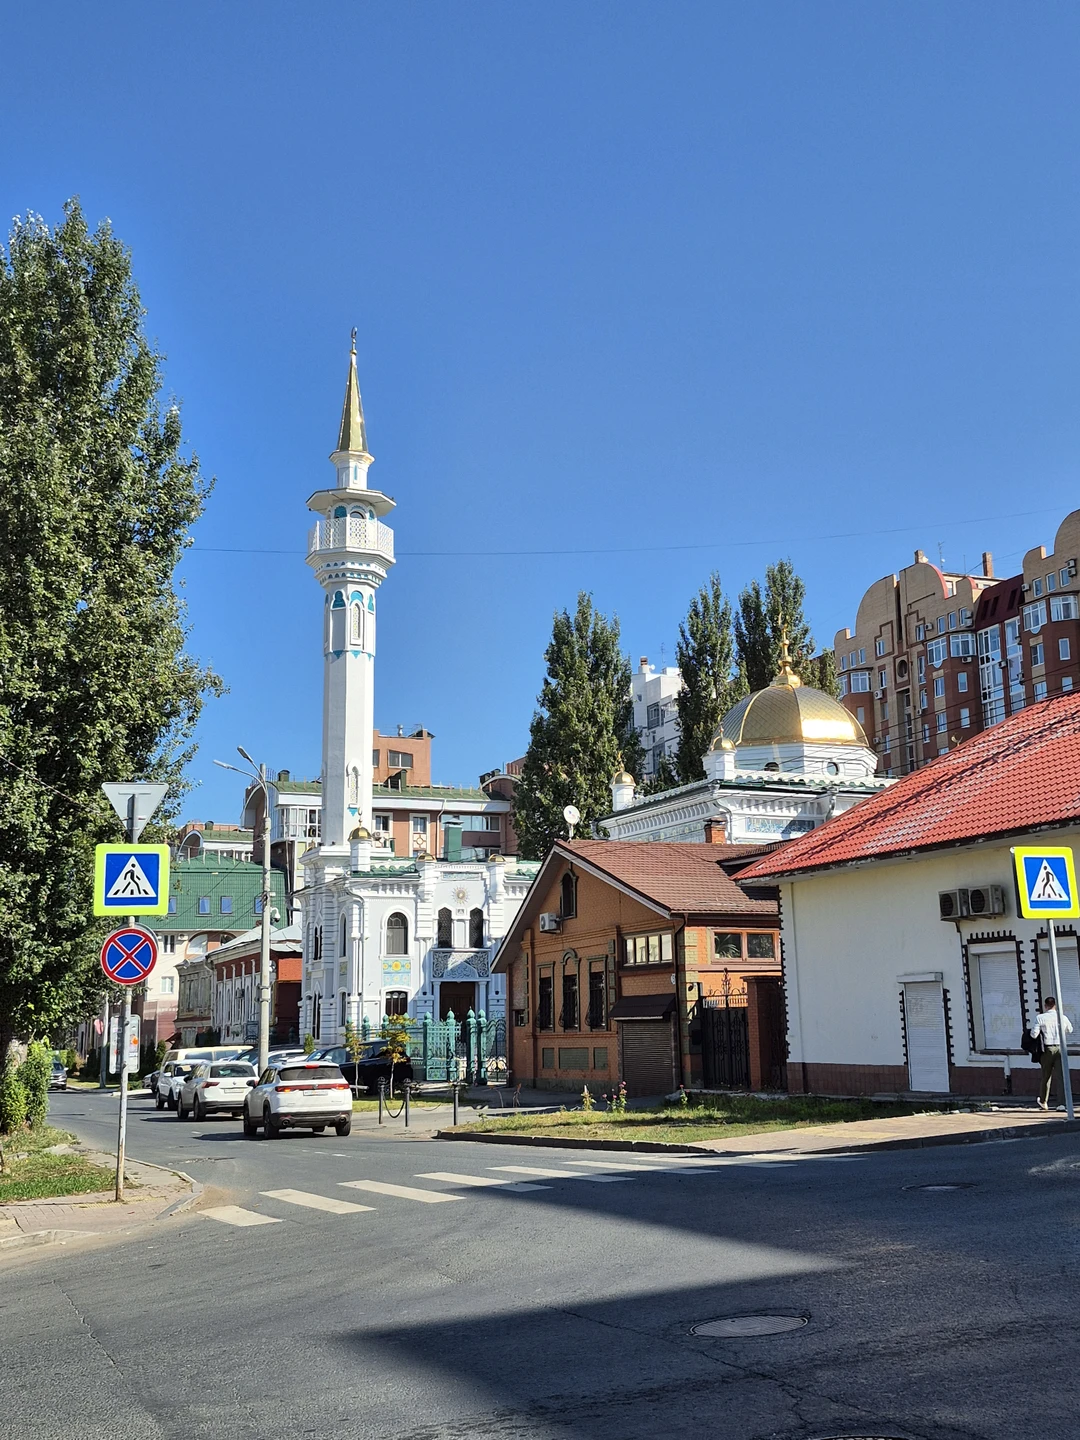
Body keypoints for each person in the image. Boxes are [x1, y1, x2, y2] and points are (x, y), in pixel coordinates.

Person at [1030, 996, 1074, 1110]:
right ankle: (1062, 1104)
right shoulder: (1062, 1017)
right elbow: (1070, 1029)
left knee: (1046, 1076)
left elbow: (1034, 1034)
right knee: (1061, 1076)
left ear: (1045, 1006)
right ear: (1055, 1005)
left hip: (1047, 1049)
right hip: (1061, 1048)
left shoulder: (1040, 1018)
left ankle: (1044, 1101)